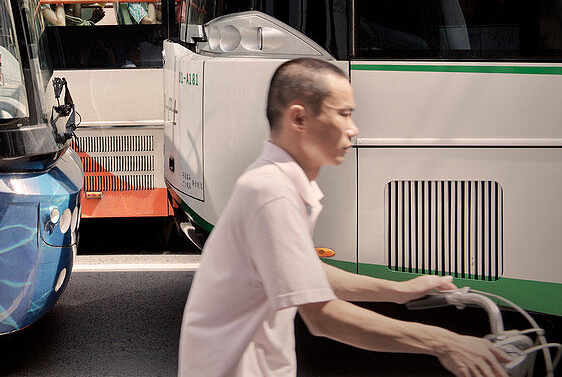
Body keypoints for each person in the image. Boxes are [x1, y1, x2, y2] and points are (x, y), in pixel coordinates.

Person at [178, 58, 510, 377]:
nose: (353, 129)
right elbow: (322, 316)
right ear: (299, 119)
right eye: (344, 114)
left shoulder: (278, 182)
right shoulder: (272, 191)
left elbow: (306, 274)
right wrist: (446, 343)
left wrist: (398, 291)